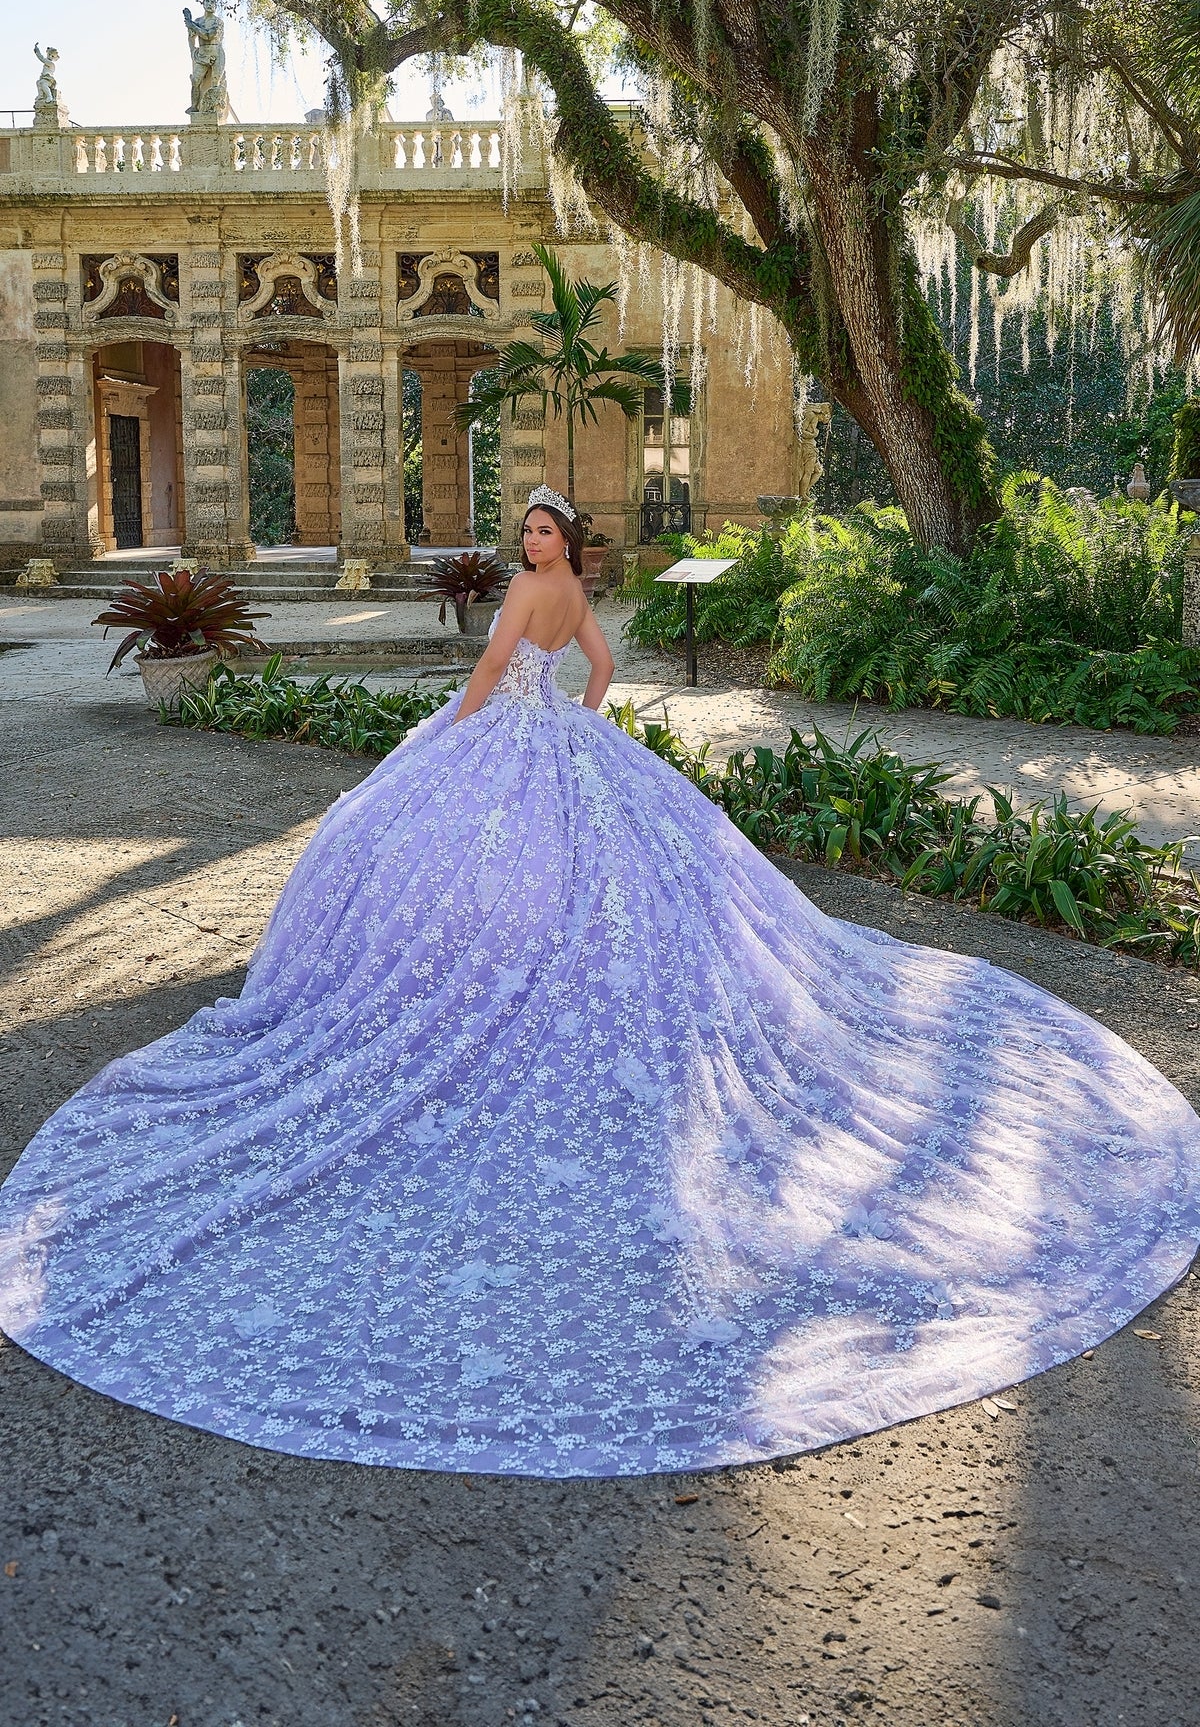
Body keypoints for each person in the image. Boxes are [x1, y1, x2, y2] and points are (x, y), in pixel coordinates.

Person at [1, 486, 1198, 1479]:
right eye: (524, 533)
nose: (531, 548)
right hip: (567, 747)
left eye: (541, 532)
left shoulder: (525, 597)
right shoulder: (574, 594)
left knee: (399, 852)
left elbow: (481, 678)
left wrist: (451, 736)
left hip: (510, 744)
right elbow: (605, 662)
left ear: (561, 544)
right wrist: (576, 721)